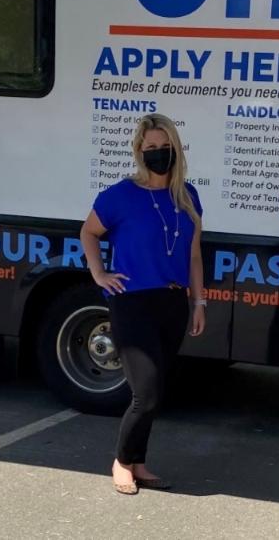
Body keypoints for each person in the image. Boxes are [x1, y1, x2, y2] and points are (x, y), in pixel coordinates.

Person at [80, 113, 205, 496]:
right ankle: (121, 461)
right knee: (145, 392)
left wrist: (199, 301)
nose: (158, 153)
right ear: (139, 150)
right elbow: (88, 232)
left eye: (165, 146)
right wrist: (99, 274)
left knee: (157, 390)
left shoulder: (187, 197)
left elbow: (194, 255)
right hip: (132, 302)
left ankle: (139, 462)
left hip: (172, 302)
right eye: (151, 147)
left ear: (176, 149)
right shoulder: (121, 194)